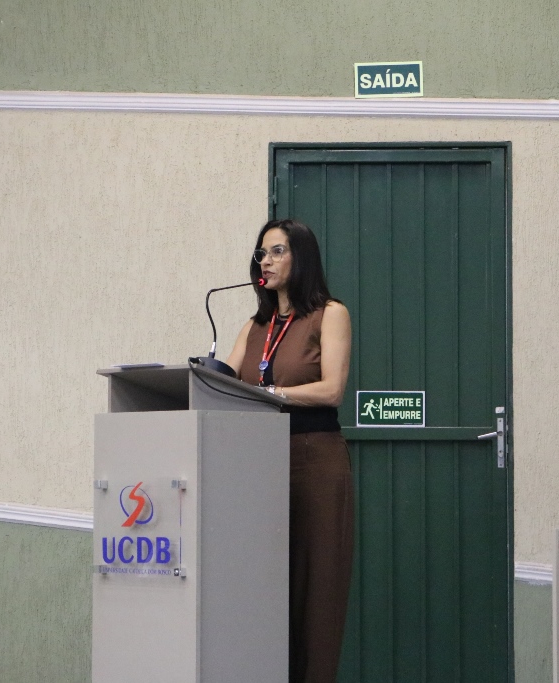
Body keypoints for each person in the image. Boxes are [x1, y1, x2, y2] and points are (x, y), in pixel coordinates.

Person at [226, 219, 354, 683]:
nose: (266, 261)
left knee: (315, 589)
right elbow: (222, 383)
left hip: (313, 458)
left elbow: (332, 389)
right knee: (261, 585)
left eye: (277, 251)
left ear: (303, 257)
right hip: (256, 464)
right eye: (261, 253)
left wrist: (272, 394)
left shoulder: (329, 314)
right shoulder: (254, 326)